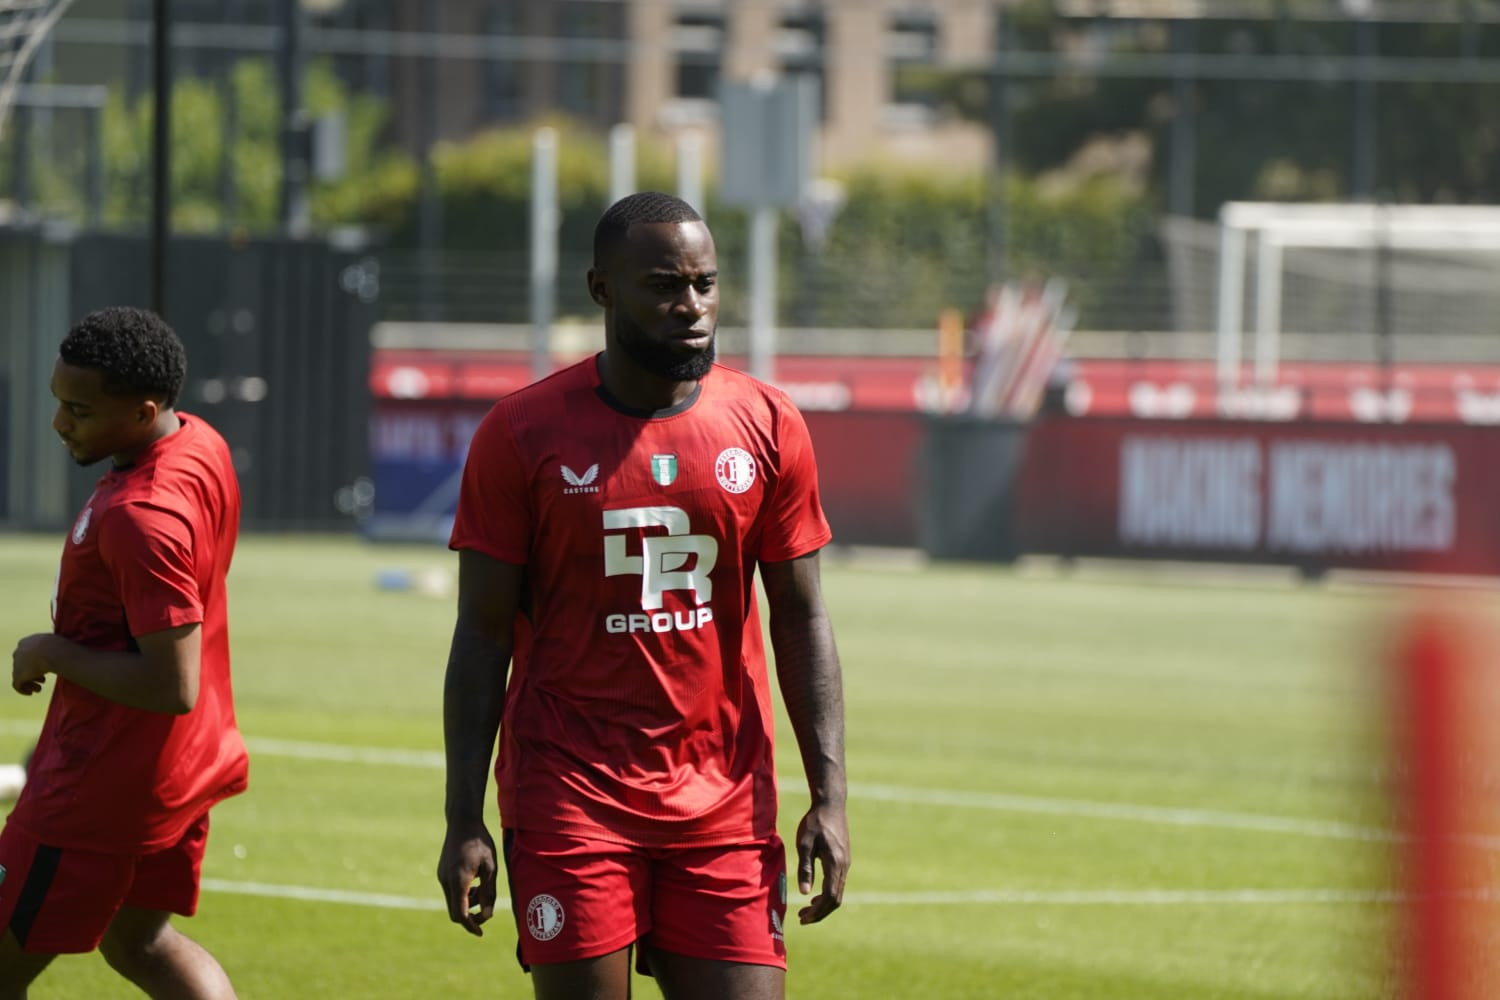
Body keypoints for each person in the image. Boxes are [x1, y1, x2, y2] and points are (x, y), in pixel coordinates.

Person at [437, 191, 851, 1000]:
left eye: (705, 284)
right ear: (602, 291)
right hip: (569, 794)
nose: (691, 307)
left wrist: (829, 797)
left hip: (724, 800)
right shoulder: (521, 434)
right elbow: (481, 637)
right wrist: (462, 818)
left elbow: (800, 617)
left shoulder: (767, 423)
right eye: (665, 286)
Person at [0, 306, 248, 1000]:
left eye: (78, 410)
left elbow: (172, 682)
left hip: (101, 783)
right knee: (140, 943)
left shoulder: (141, 515)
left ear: (142, 411)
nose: (60, 424)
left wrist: (50, 651)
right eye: (59, 402)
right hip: (183, 765)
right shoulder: (197, 440)